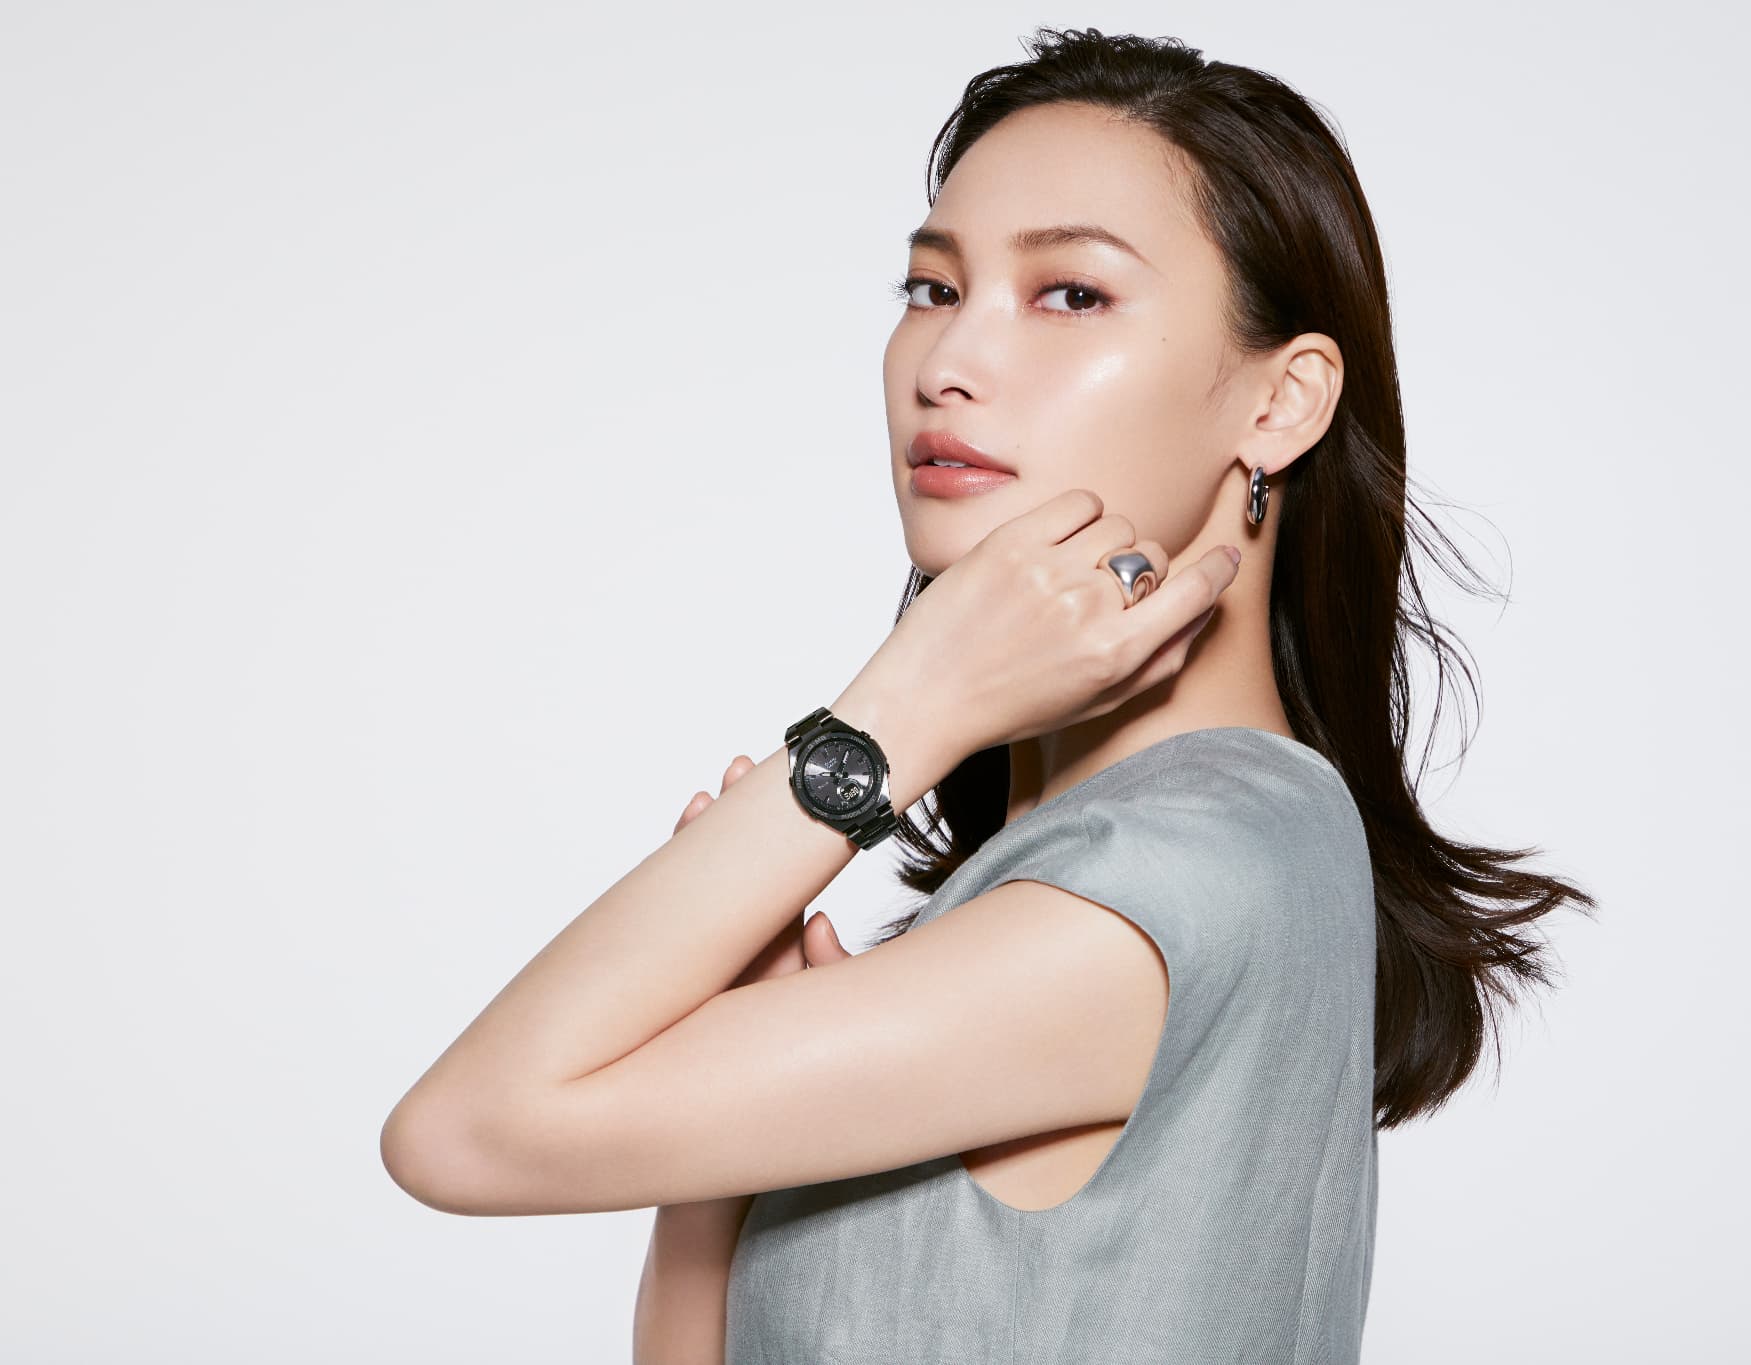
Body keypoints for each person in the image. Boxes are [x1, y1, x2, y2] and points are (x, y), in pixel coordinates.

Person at [380, 26, 1596, 1364]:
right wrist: (717, 1146)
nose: (946, 359)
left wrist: (899, 713)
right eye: (931, 287)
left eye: (1070, 293)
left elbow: (460, 1133)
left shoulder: (1202, 860)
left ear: (1283, 402)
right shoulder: (1065, 879)